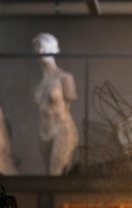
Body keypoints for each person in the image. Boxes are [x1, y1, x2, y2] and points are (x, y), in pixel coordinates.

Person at [32, 32, 79, 175]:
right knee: (50, 176)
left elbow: (68, 104)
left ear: (53, 49)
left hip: (61, 129)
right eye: (38, 47)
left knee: (56, 172)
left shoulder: (65, 77)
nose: (41, 51)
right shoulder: (39, 84)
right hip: (44, 132)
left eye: (44, 47)